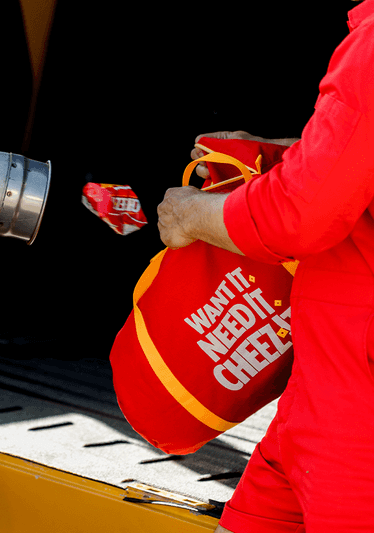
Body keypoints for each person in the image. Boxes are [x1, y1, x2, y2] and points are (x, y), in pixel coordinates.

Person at [156, 1, 374, 531]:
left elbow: (301, 215)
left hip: (355, 422)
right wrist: (293, 154)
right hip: (317, 402)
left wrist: (191, 215)